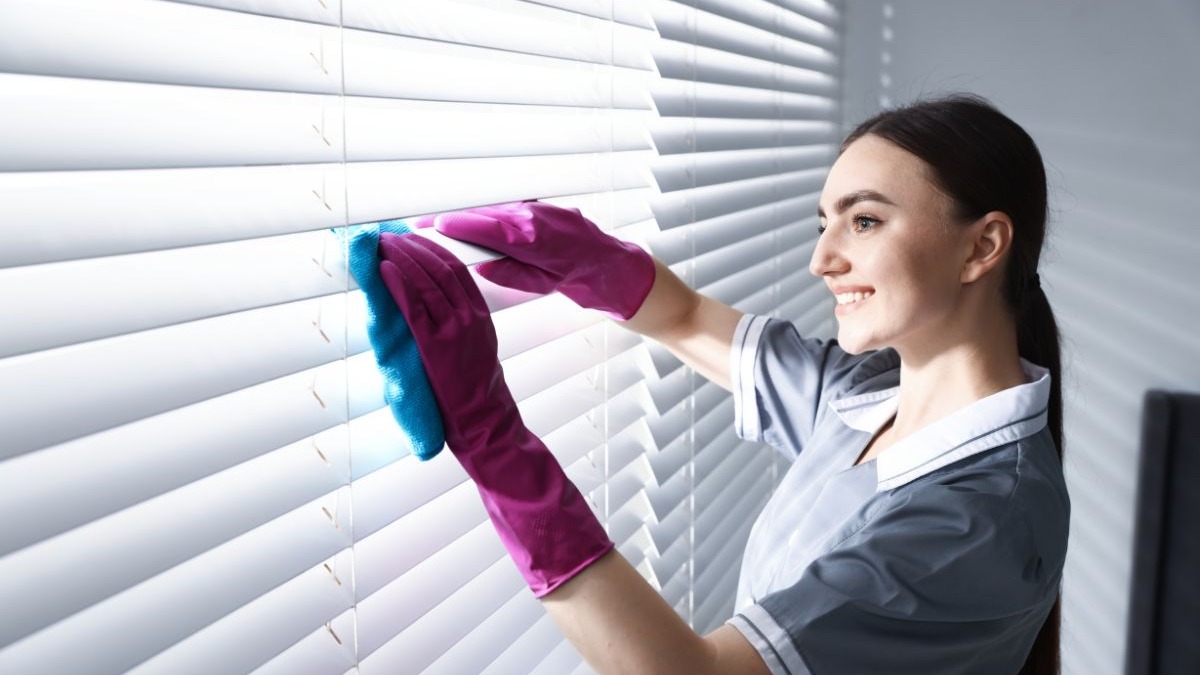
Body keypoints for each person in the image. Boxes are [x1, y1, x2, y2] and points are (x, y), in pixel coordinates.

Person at [377, 93, 1069, 674]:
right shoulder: (869, 395)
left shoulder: (978, 521)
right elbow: (685, 319)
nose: (821, 259)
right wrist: (590, 262)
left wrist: (492, 438)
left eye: (864, 221)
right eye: (823, 223)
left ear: (982, 246)